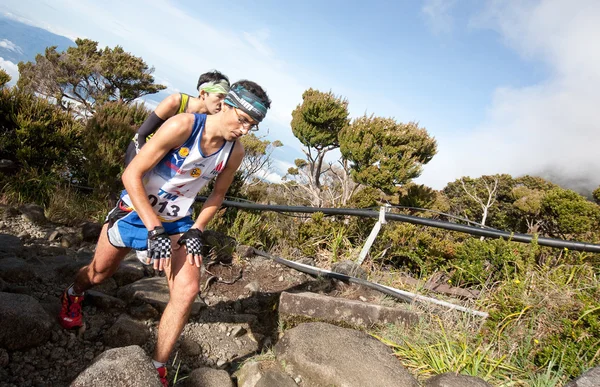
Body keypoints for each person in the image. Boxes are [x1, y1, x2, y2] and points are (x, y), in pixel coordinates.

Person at [59, 80, 270, 386]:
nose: (245, 130)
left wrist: (198, 228)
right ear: (226, 105)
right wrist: (152, 228)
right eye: (243, 120)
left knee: (186, 291)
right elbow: (131, 174)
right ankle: (73, 294)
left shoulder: (233, 152)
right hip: (135, 211)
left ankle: (158, 366)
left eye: (252, 125)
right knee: (99, 274)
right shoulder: (183, 126)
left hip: (176, 222)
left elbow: (216, 195)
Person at [123, 70, 230, 166]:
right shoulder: (175, 102)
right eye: (219, 96)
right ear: (203, 93)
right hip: (142, 151)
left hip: (166, 163)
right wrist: (141, 162)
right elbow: (141, 134)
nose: (222, 103)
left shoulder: (211, 119)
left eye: (225, 99)